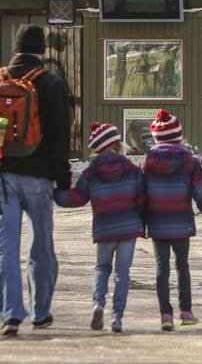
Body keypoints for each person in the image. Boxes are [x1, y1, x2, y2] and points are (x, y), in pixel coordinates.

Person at [0, 25, 73, 337]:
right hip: (38, 178)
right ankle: (41, 312)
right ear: (41, 50)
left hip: (0, 177)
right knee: (41, 247)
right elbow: (60, 137)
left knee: (5, 249)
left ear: (15, 48)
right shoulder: (51, 83)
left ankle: (11, 314)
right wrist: (62, 179)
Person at [54, 123, 145, 334]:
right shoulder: (131, 169)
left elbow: (76, 198)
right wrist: (143, 222)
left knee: (102, 268)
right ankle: (117, 318)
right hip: (129, 230)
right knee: (123, 273)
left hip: (105, 230)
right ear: (117, 144)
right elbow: (142, 199)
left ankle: (98, 305)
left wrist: (56, 194)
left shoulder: (91, 172)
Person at [142, 109, 202, 331]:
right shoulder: (189, 162)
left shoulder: (147, 163)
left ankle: (165, 315)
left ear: (156, 137)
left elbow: (139, 196)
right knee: (182, 266)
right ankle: (186, 312)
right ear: (178, 136)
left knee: (162, 269)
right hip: (181, 224)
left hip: (157, 224)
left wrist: (139, 225)